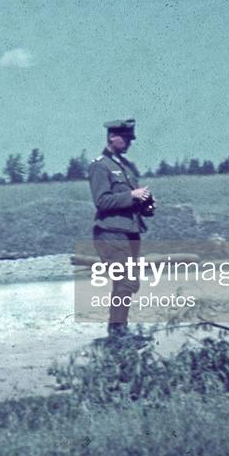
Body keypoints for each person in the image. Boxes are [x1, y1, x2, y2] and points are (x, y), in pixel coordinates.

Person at [87, 118, 152, 339]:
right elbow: (102, 201)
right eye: (125, 138)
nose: (129, 143)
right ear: (112, 137)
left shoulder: (126, 167)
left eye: (130, 139)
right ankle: (117, 329)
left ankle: (119, 328)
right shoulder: (100, 166)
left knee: (128, 283)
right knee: (126, 281)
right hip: (110, 232)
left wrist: (145, 204)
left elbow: (131, 200)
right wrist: (130, 195)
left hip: (130, 231)